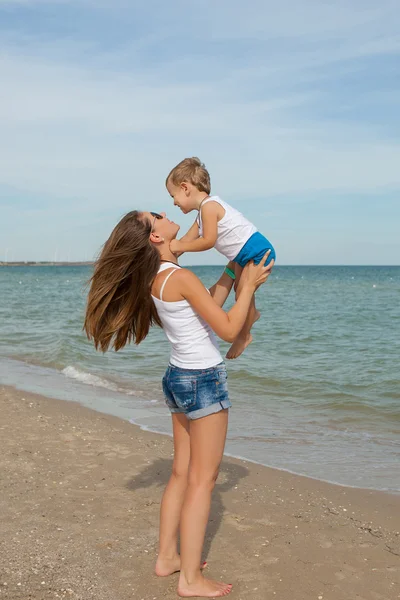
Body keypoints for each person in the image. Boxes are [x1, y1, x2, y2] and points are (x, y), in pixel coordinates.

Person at [84, 210, 274, 598]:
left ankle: (167, 557)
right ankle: (189, 579)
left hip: (177, 379)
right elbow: (225, 327)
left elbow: (204, 308)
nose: (168, 215)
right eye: (159, 216)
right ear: (155, 237)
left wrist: (233, 272)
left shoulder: (159, 279)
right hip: (203, 381)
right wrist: (250, 287)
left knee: (181, 474)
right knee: (203, 481)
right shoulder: (179, 277)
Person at [166, 157, 276, 360]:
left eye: (173, 195)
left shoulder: (209, 206)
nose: (173, 202)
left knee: (243, 291)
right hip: (243, 255)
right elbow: (186, 241)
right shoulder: (201, 215)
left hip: (258, 251)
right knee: (239, 292)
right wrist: (168, 251)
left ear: (185, 188)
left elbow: (208, 241)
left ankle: (244, 334)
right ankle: (252, 317)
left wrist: (180, 245)